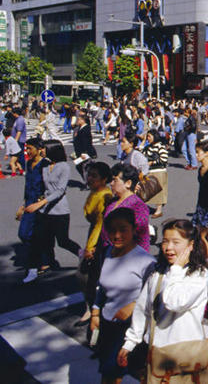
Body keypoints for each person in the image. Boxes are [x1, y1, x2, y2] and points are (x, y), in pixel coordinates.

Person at [119, 219, 208, 382]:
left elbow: (174, 302)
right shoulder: (158, 273)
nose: (169, 248)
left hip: (185, 356)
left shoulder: (199, 275)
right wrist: (131, 342)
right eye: (165, 242)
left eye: (176, 242)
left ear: (190, 245)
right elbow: (143, 309)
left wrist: (175, 270)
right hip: (158, 353)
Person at [90, 207, 156, 384]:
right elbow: (101, 288)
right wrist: (95, 312)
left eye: (123, 229)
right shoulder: (107, 253)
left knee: (127, 372)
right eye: (112, 230)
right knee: (110, 371)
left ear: (134, 230)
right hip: (108, 323)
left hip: (131, 328)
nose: (117, 235)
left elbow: (155, 294)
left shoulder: (146, 261)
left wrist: (133, 306)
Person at [21, 139, 84, 284]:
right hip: (44, 211)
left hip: (59, 211)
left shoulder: (64, 167)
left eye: (44, 148)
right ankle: (32, 270)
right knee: (37, 239)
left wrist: (41, 203)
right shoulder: (45, 165)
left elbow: (60, 190)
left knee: (63, 241)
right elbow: (41, 186)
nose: (42, 150)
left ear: (52, 150)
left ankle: (82, 255)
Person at [77, 161, 113, 325]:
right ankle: (91, 307)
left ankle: (93, 308)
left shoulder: (105, 196)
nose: (89, 178)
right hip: (93, 234)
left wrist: (91, 247)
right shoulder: (94, 192)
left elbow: (100, 224)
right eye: (89, 175)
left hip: (99, 238)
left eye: (94, 176)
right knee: (90, 275)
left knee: (87, 274)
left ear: (104, 179)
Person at [102, 163, 151, 251]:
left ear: (128, 183)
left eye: (115, 180)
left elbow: (141, 238)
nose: (111, 183)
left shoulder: (137, 206)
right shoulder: (113, 202)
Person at [15, 138, 47, 265]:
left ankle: (40, 260)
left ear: (39, 149)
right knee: (24, 233)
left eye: (30, 148)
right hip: (29, 201)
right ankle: (39, 258)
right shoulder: (29, 164)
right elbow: (27, 185)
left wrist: (42, 201)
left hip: (40, 203)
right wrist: (22, 205)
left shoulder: (45, 164)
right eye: (26, 148)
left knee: (36, 233)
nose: (27, 151)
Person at [142, 129, 169, 217]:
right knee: (148, 191)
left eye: (149, 136)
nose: (148, 138)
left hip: (159, 171)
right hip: (149, 171)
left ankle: (159, 210)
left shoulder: (160, 146)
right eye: (147, 136)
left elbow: (164, 159)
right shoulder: (148, 147)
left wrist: (152, 162)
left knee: (158, 191)